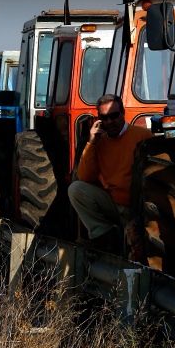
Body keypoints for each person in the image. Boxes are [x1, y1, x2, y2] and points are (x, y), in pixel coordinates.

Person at [69, 94, 153, 251]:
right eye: (104, 117)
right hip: (114, 205)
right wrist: (92, 142)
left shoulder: (143, 136)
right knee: (76, 189)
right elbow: (85, 177)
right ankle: (104, 237)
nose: (109, 122)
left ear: (123, 113)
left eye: (113, 116)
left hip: (140, 209)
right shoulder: (99, 142)